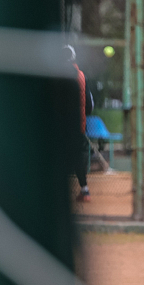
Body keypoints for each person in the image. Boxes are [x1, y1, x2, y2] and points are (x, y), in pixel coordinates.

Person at [64, 45, 94, 202]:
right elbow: (89, 105)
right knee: (77, 155)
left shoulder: (54, 75)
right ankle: (85, 190)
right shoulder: (81, 76)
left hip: (57, 126)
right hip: (77, 125)